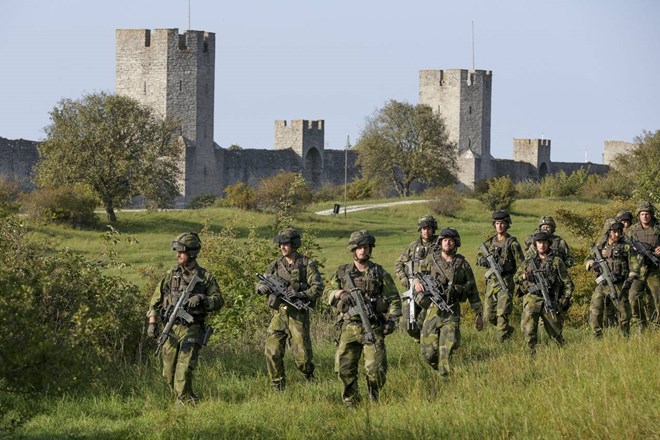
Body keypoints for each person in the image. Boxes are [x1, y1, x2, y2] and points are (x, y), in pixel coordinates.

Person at [146, 232, 224, 405]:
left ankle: (186, 404)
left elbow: (219, 301)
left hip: (192, 327)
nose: (178, 255)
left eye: (181, 252)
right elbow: (155, 301)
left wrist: (202, 299)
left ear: (192, 253)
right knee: (168, 374)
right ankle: (188, 398)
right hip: (171, 328)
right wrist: (152, 323)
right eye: (177, 251)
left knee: (183, 371)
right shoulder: (170, 275)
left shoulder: (205, 278)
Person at [326, 230, 401, 407]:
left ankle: (373, 394)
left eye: (366, 247)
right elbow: (325, 294)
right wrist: (338, 293)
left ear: (370, 249)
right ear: (353, 250)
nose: (362, 250)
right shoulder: (342, 272)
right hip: (349, 327)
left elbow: (394, 299)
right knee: (345, 369)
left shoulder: (379, 273)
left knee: (377, 370)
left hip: (373, 326)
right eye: (359, 247)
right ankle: (350, 402)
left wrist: (391, 319)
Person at [256, 227, 324, 391]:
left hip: (297, 315)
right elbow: (262, 282)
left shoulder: (307, 264)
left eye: (285, 244)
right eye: (281, 244)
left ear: (294, 244)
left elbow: (318, 287)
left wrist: (299, 293)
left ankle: (309, 375)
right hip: (278, 314)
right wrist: (261, 288)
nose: (282, 247)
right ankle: (278, 386)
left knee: (303, 358)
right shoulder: (275, 265)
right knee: (271, 352)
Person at [413, 227, 484, 375]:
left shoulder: (462, 264)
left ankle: (446, 380)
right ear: (440, 242)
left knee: (446, 350)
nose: (448, 243)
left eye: (451, 240)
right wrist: (415, 283)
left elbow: (473, 289)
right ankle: (438, 368)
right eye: (445, 240)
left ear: (456, 243)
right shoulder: (430, 260)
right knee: (428, 353)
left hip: (451, 311)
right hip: (432, 310)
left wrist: (479, 314)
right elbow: (417, 275)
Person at [515, 231, 573, 356]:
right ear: (535, 245)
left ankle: (563, 356)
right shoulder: (528, 262)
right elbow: (516, 278)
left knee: (556, 332)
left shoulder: (556, 261)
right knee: (529, 331)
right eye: (539, 243)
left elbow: (567, 282)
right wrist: (525, 276)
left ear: (549, 244)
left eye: (545, 242)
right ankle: (531, 356)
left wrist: (566, 298)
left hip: (550, 300)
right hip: (532, 300)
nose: (542, 245)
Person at [476, 211, 524, 342]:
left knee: (502, 314)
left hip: (506, 282)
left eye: (502, 223)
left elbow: (522, 265)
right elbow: (479, 255)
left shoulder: (512, 243)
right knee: (489, 315)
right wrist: (483, 260)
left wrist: (517, 278)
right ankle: (508, 330)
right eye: (497, 223)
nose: (500, 226)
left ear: (507, 225)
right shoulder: (490, 242)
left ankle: (501, 343)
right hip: (491, 282)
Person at [585, 219, 636, 338]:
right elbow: (588, 260)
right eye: (614, 232)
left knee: (624, 313)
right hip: (602, 285)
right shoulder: (600, 246)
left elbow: (634, 265)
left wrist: (630, 279)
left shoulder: (626, 247)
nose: (617, 234)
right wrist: (592, 263)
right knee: (595, 310)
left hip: (618, 284)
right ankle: (597, 336)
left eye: (619, 231)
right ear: (608, 232)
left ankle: (625, 336)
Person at [393, 214, 438, 342]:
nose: (426, 231)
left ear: (433, 229)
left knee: (433, 320)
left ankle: (432, 342)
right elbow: (398, 264)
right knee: (409, 325)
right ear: (420, 230)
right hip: (412, 289)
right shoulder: (413, 247)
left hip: (432, 291)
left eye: (429, 228)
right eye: (424, 228)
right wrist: (403, 278)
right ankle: (421, 340)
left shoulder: (440, 244)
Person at [626, 201, 660, 330]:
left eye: (647, 214)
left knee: (657, 299)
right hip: (637, 270)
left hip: (654, 270)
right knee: (633, 297)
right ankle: (641, 323)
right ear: (638, 215)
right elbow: (624, 245)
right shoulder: (632, 230)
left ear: (651, 214)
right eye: (642, 214)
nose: (645, 216)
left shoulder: (658, 228)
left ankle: (656, 326)